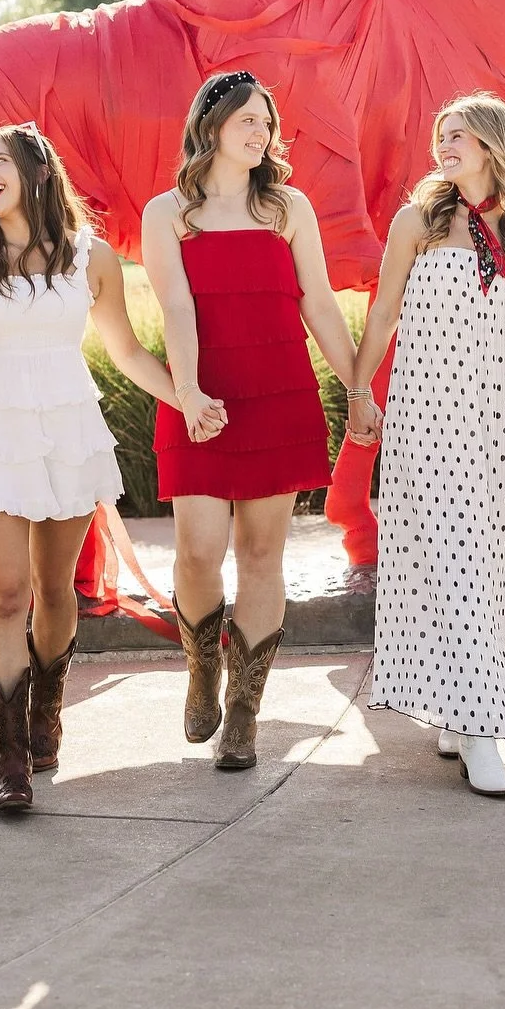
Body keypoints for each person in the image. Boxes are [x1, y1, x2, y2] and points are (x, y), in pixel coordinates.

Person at [0, 122, 208, 813]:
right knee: (7, 596)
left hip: (67, 431)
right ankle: (10, 764)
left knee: (57, 592)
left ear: (38, 173)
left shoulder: (91, 259)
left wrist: (186, 396)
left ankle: (45, 718)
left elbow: (123, 348)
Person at [141, 71, 377, 771]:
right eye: (247, 120)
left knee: (262, 556)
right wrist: (187, 393)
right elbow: (177, 310)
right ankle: (201, 671)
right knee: (197, 552)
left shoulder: (288, 207)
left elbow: (320, 306)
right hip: (203, 399)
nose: (261, 133)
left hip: (279, 395)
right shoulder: (168, 213)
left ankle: (244, 710)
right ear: (210, 125)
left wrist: (358, 388)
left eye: (266, 123)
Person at [351, 93, 505, 798]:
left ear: (491, 145)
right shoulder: (417, 221)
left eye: (459, 136)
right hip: (429, 422)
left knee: (497, 559)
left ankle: (463, 706)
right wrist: (360, 393)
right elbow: (383, 311)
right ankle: (483, 731)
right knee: (452, 555)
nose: (444, 145)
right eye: (440, 134)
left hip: (503, 424)